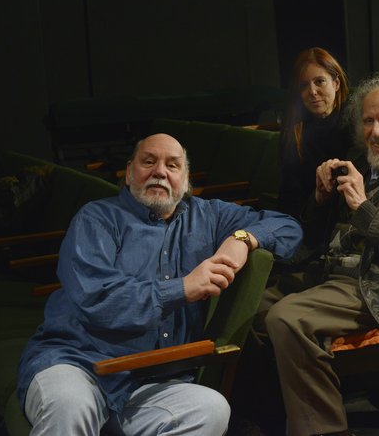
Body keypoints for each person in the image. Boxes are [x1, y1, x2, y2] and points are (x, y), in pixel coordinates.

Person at [17, 133, 302, 435]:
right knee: (70, 404)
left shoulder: (210, 216)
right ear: (129, 173)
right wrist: (183, 288)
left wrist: (242, 239)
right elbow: (99, 300)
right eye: (149, 161)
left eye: (172, 165)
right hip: (78, 364)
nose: (160, 172)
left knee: (211, 408)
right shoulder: (96, 219)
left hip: (151, 381)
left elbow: (288, 227)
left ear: (186, 179)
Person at [259, 69, 379, 435]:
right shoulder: (360, 161)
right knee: (248, 306)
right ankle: (268, 417)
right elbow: (319, 236)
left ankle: (324, 429)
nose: (376, 131)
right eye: (368, 121)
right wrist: (320, 200)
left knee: (286, 318)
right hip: (332, 273)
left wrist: (364, 208)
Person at [278, 47, 352, 227]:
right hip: (307, 220)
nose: (312, 91)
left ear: (336, 83)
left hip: (348, 219)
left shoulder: (355, 124)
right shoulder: (294, 132)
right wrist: (316, 200)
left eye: (320, 82)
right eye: (304, 85)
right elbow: (289, 198)